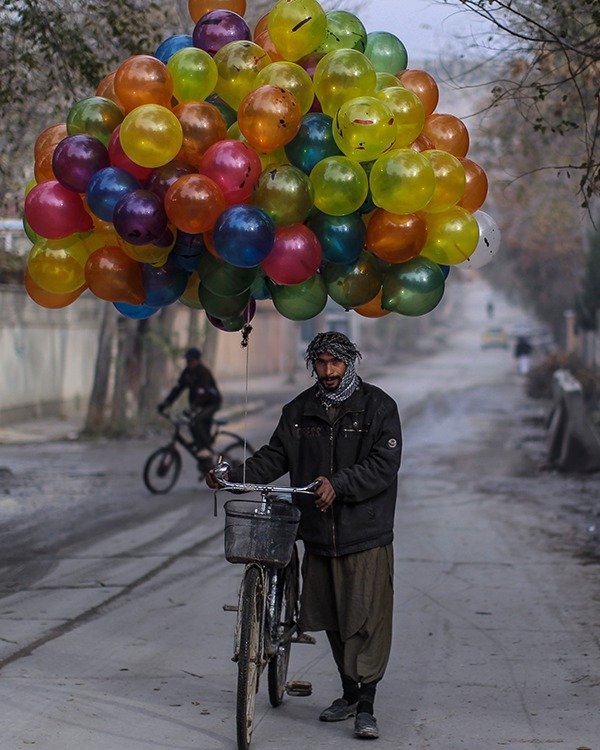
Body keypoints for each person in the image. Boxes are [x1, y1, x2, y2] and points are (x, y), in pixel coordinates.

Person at [207, 331, 402, 740]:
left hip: (365, 533)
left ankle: (366, 705)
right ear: (312, 364)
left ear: (350, 363)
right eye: (321, 363)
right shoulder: (298, 411)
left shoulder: (378, 407)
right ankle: (349, 694)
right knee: (331, 616)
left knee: (365, 619)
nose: (328, 371)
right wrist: (232, 478)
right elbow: (274, 457)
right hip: (317, 533)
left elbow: (383, 465)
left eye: (336, 363)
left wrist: (339, 483)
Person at [158, 347, 222, 460]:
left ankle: (206, 449)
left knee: (197, 421)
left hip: (211, 403)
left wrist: (192, 408)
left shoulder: (204, 372)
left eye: (191, 361)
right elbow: (177, 389)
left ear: (197, 360)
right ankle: (201, 448)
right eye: (187, 361)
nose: (189, 363)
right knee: (192, 423)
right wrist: (166, 404)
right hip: (198, 404)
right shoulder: (187, 373)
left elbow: (203, 394)